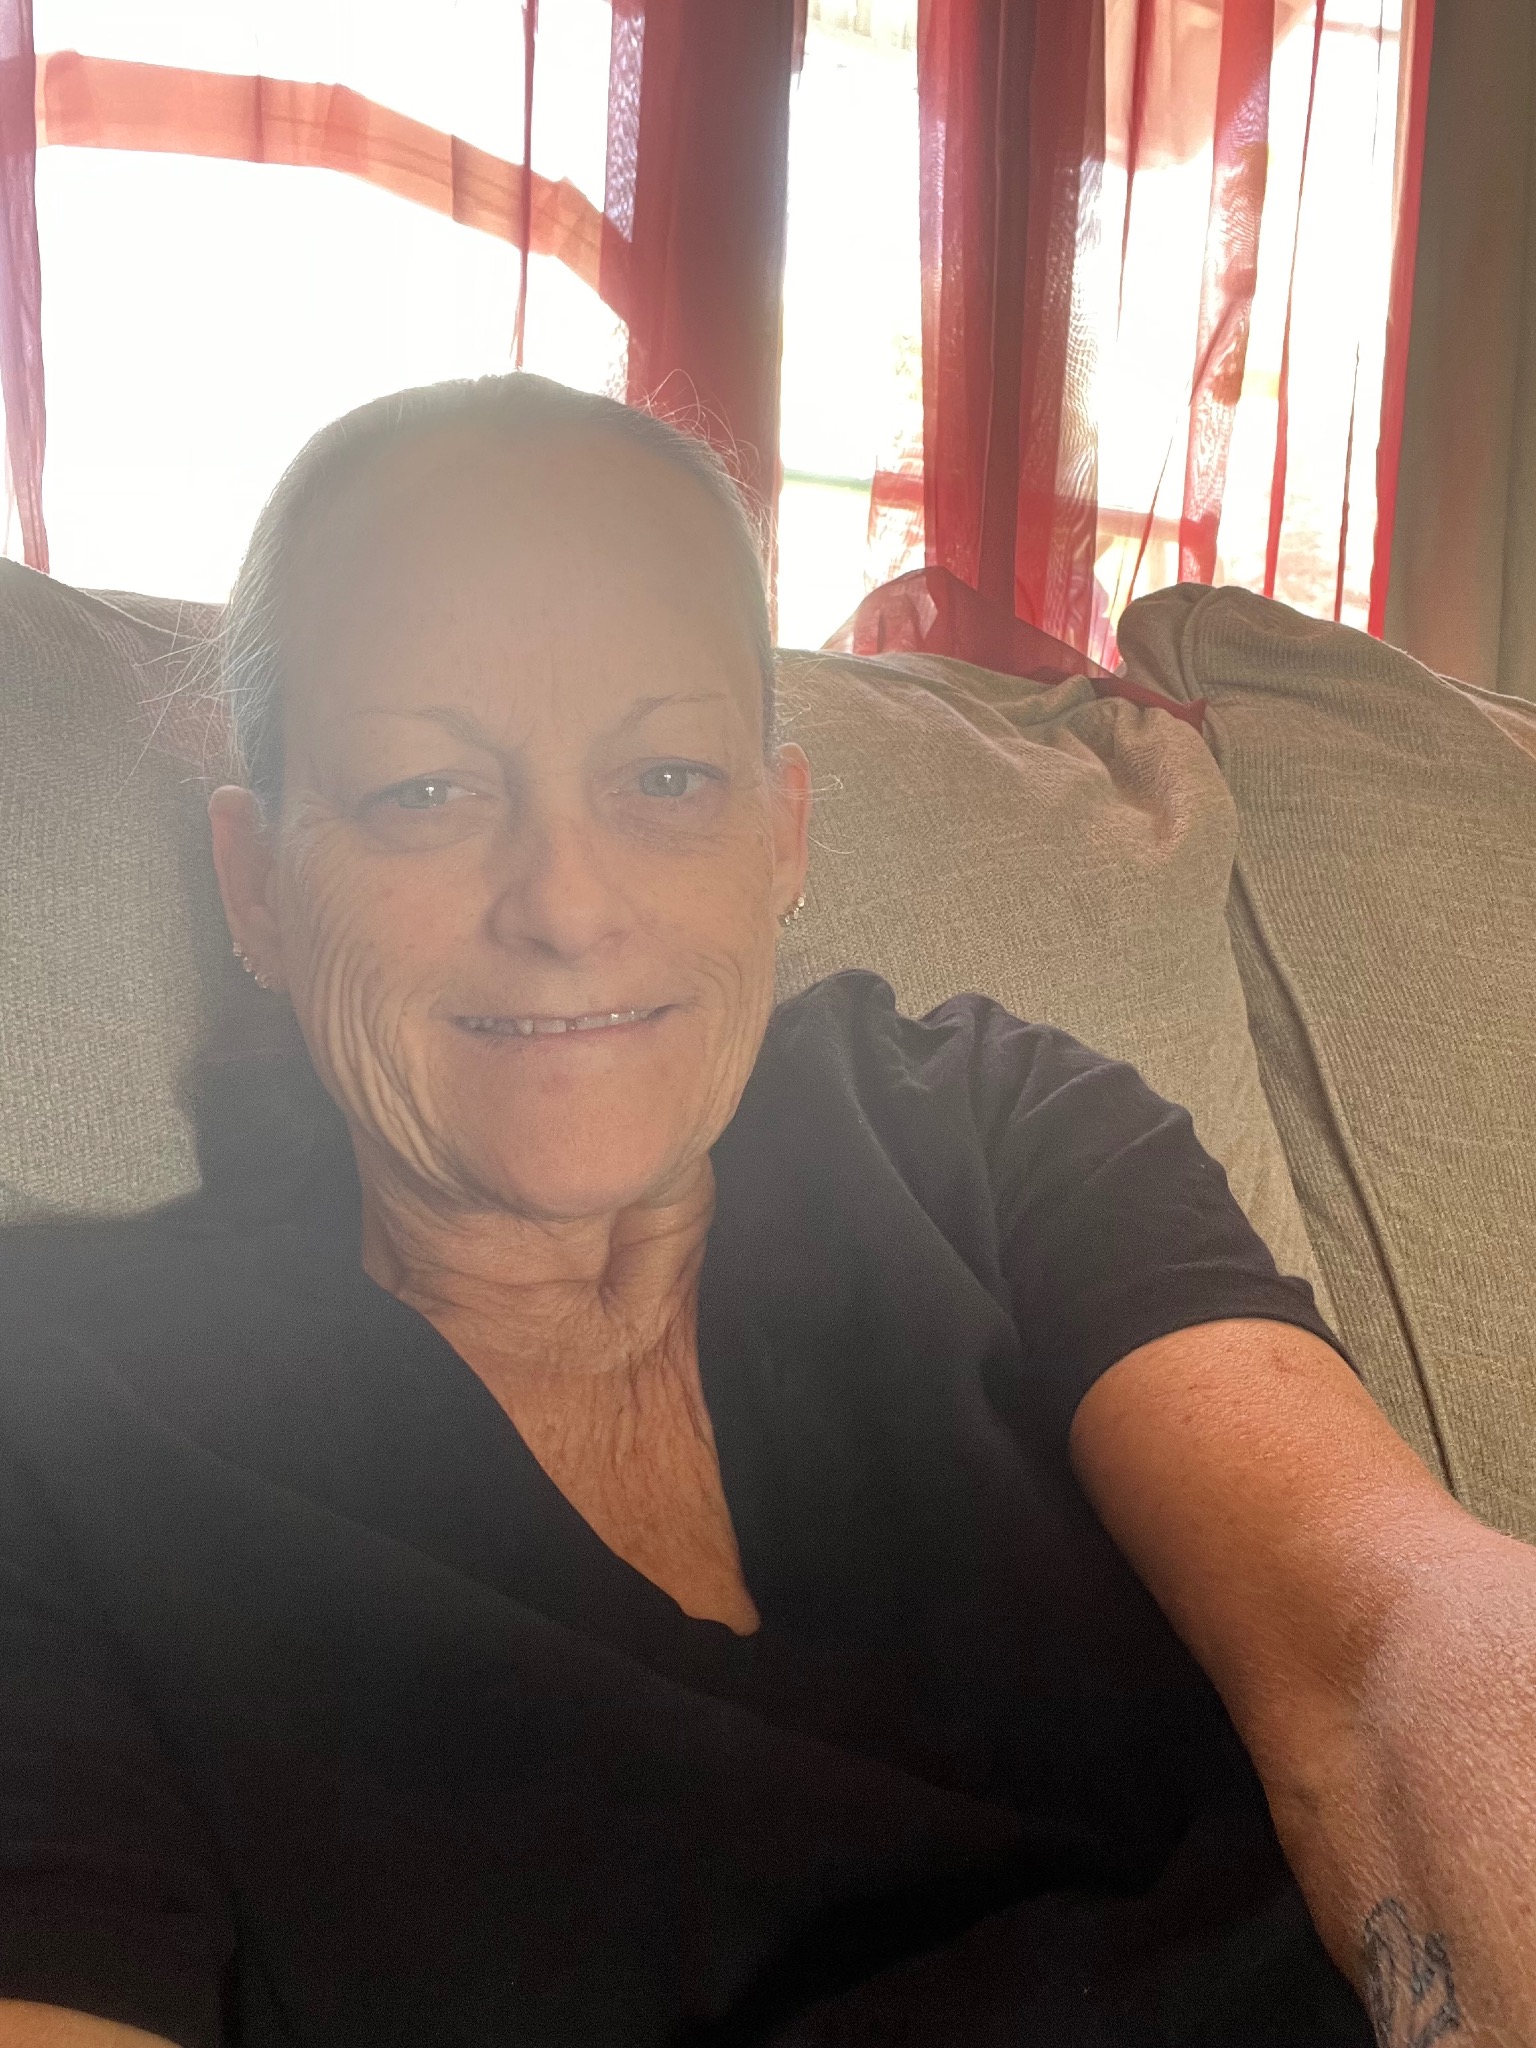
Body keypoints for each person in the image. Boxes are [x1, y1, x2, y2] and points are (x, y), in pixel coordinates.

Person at [0, 374, 1532, 2048]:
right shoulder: (57, 1415)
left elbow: (1386, 1639)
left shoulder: (988, 1125)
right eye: (424, 792)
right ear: (256, 886)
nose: (568, 906)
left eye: (665, 778)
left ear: (782, 837)